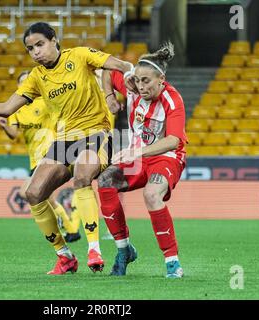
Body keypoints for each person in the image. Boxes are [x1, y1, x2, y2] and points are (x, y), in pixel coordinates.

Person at [0, 22, 136, 275]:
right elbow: (6, 108)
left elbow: (119, 66)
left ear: (54, 40)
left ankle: (94, 249)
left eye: (39, 44)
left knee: (82, 177)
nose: (35, 52)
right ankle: (64, 256)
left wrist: (115, 92)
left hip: (94, 132)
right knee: (33, 193)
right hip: (63, 140)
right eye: (30, 49)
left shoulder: (79, 55)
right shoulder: (36, 77)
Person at [98, 41, 187, 278]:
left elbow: (173, 141)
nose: (140, 86)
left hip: (165, 157)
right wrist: (109, 97)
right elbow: (107, 68)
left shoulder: (173, 99)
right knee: (105, 180)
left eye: (146, 81)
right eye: (137, 80)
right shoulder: (132, 88)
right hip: (137, 157)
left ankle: (172, 262)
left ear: (161, 79)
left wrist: (137, 152)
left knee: (151, 194)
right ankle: (123, 250)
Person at [0, 70, 81, 242]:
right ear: (18, 86)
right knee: (43, 196)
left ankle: (68, 229)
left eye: (27, 81)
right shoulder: (16, 110)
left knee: (31, 192)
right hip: (34, 157)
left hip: (48, 152)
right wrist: (4, 126)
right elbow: (13, 134)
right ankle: (70, 228)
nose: (24, 84)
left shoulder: (44, 101)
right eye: (21, 82)